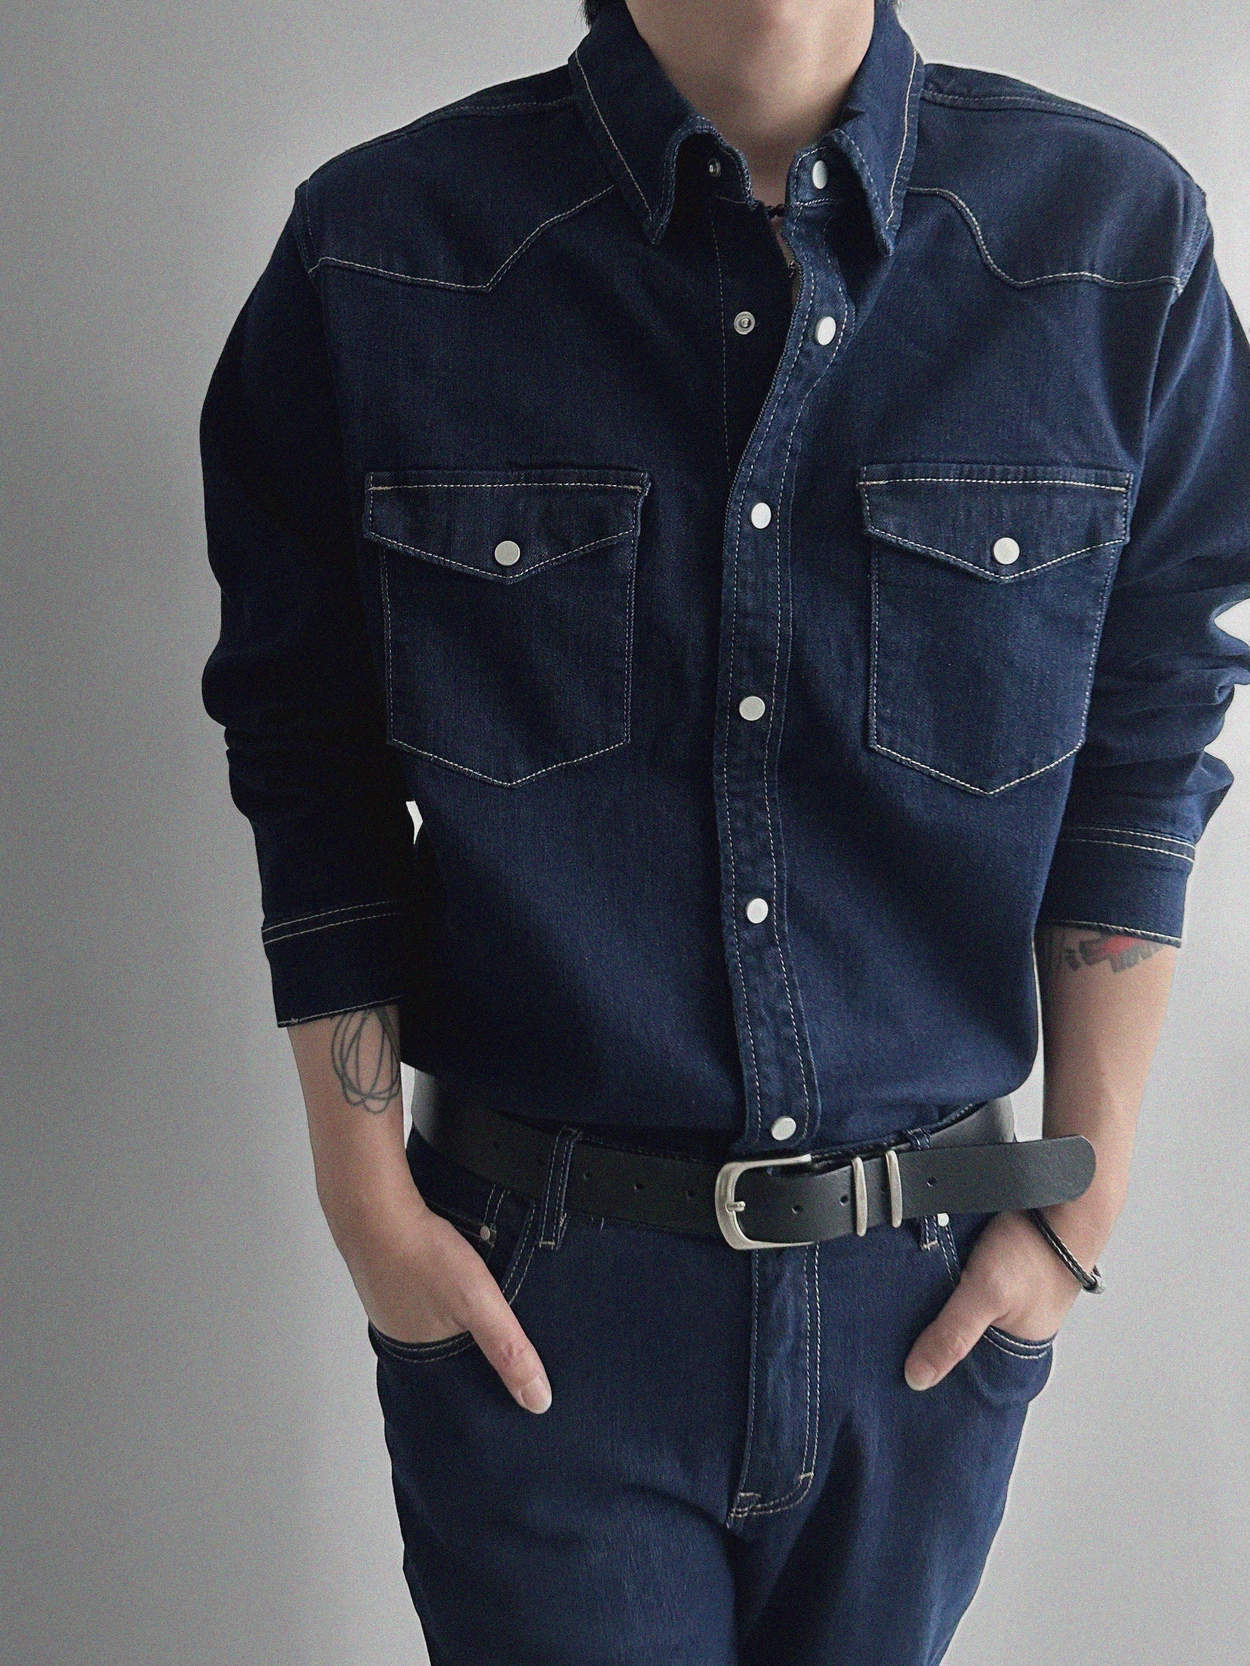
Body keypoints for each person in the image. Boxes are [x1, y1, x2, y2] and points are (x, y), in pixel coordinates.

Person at [199, 0, 1250, 1658]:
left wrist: (1081, 1199)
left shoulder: (1112, 243)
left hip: (925, 1292)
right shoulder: (382, 251)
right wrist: (364, 1200)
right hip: (539, 1297)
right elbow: (306, 745)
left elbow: (1149, 723)